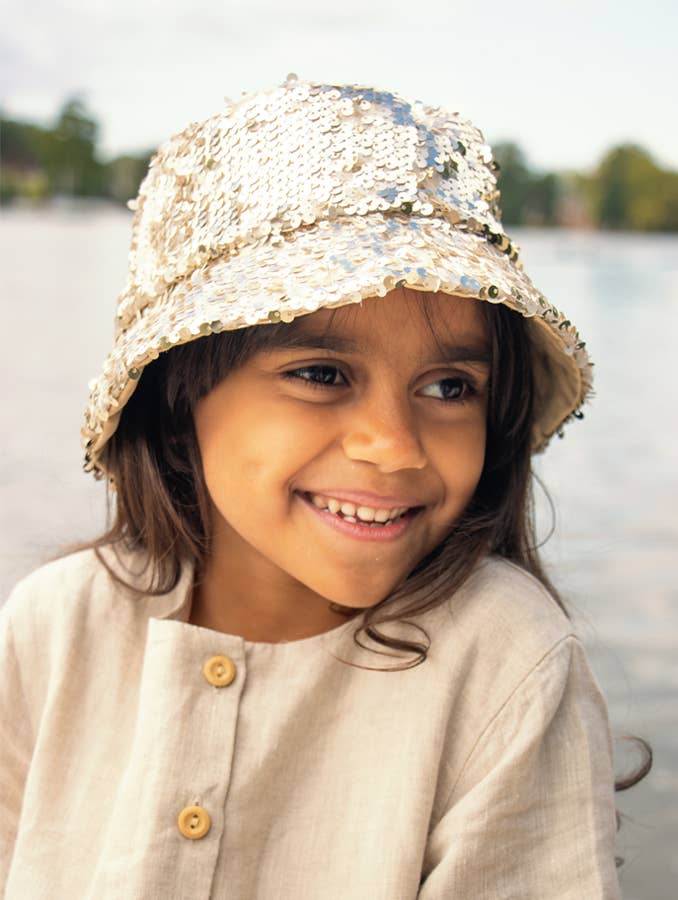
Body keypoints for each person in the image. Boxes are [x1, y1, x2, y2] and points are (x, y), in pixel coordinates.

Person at [0, 75, 645, 899]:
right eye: (321, 373)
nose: (392, 446)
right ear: (178, 393)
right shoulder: (54, 629)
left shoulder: (507, 659)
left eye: (450, 387)